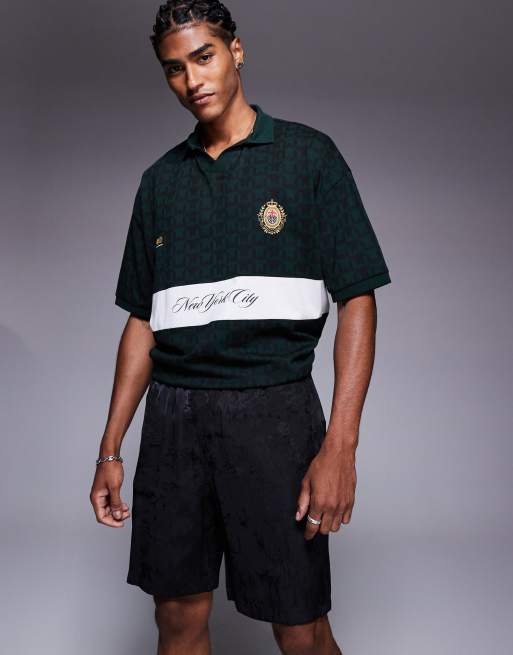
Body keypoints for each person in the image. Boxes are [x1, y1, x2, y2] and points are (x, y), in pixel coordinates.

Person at [89, 1, 392, 653]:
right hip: (173, 422)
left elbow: (358, 299)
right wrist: (110, 447)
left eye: (203, 57)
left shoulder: (307, 157)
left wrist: (341, 445)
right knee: (176, 619)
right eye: (174, 68)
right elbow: (142, 319)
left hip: (274, 414)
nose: (192, 79)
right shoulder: (160, 182)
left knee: (300, 626)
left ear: (236, 51)